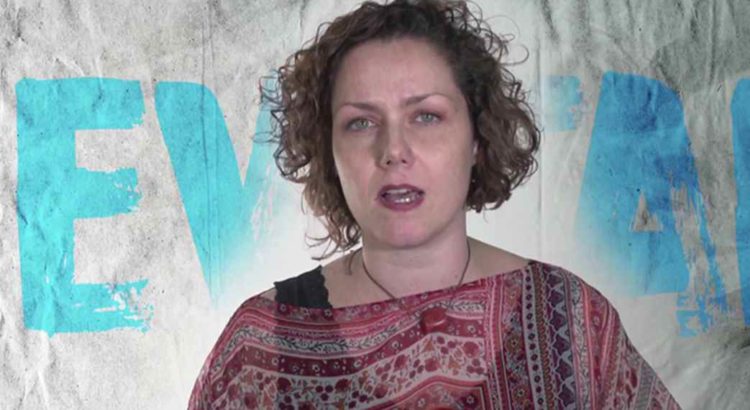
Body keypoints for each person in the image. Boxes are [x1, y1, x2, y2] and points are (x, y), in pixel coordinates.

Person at [189, 0, 681, 408]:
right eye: (360, 122)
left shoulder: (569, 318)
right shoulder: (259, 348)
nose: (393, 150)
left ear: (477, 139)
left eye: (426, 116)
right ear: (329, 153)